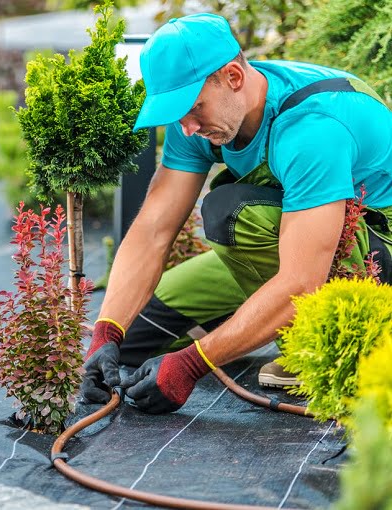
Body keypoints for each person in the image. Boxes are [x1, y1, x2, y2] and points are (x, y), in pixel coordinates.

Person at [80, 13, 392, 413]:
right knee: (136, 334)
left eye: (193, 108)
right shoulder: (203, 118)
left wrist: (193, 364)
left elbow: (300, 280)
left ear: (233, 77)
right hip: (295, 242)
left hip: (372, 253)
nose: (187, 127)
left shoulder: (311, 127)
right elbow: (153, 230)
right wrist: (106, 333)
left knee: (231, 213)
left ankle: (314, 350)